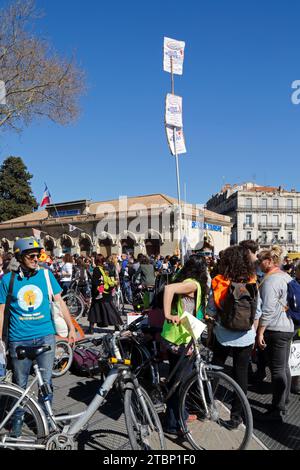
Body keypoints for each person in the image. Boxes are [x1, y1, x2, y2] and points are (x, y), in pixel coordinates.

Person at [0, 237, 76, 437]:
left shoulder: (46, 275)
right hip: (19, 339)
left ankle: (47, 422)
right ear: (20, 257)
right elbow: (1, 312)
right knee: (20, 385)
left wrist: (71, 327)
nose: (36, 259)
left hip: (46, 338)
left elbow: (60, 302)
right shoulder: (8, 280)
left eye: (39, 255)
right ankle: (16, 425)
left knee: (46, 384)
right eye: (31, 256)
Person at [206, 245, 259, 429]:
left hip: (223, 334)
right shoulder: (252, 281)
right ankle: (237, 416)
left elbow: (211, 310)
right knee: (240, 374)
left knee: (215, 369)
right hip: (246, 335)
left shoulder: (220, 281)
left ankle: (206, 406)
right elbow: (257, 311)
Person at [160, 255, 208, 436]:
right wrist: (167, 313)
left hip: (174, 335)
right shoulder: (193, 283)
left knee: (178, 380)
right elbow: (169, 289)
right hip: (180, 339)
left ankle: (181, 414)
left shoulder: (182, 278)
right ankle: (173, 424)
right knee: (180, 383)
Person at [256, 245, 294, 421]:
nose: (258, 263)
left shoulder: (271, 281)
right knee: (284, 366)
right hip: (288, 326)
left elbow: (268, 309)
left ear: (269, 261)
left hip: (275, 328)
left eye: (261, 260)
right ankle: (284, 400)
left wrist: (260, 331)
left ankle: (277, 408)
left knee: (277, 369)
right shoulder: (286, 276)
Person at [87, 254, 122, 333]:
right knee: (110, 310)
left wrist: (96, 291)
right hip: (106, 292)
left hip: (99, 293)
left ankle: (91, 328)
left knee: (94, 311)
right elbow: (109, 280)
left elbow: (96, 282)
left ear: (96, 261)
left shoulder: (96, 269)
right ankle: (116, 326)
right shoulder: (106, 268)